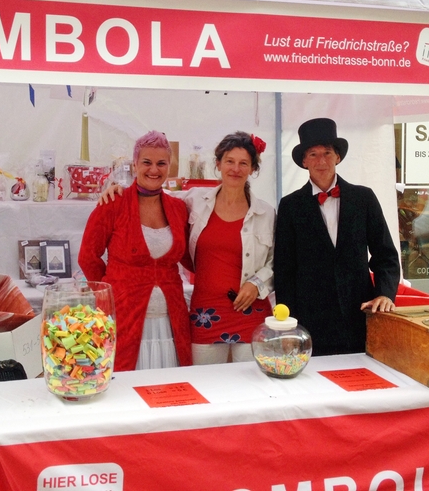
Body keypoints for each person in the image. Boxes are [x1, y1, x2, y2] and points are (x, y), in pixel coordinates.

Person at [100, 131, 276, 365]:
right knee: (204, 382)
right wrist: (118, 189)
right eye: (229, 161)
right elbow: (152, 191)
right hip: (206, 313)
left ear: (253, 168)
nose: (236, 169)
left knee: (251, 381)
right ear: (218, 164)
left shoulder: (267, 213)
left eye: (244, 163)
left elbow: (278, 261)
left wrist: (257, 283)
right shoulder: (194, 201)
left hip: (251, 312)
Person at [273, 117, 400, 356]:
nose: (321, 161)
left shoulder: (364, 199)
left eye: (327, 153)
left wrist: (385, 293)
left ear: (338, 157)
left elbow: (386, 255)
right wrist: (288, 325)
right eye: (313, 154)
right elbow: (284, 270)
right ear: (304, 161)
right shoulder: (291, 206)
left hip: (359, 316)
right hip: (311, 322)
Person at [78, 130, 192, 372]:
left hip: (170, 322)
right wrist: (108, 293)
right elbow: (88, 256)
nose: (154, 170)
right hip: (125, 318)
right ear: (135, 164)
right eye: (147, 162)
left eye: (161, 163)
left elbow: (189, 256)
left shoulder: (179, 208)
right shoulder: (113, 204)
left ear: (169, 166)